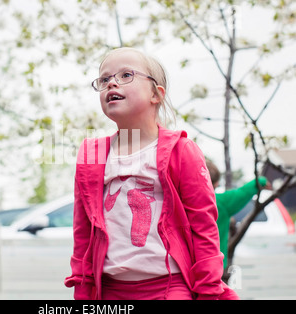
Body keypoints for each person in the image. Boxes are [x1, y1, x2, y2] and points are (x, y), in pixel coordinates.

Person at [64, 47, 238, 300]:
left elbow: (204, 226)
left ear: (156, 94)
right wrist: (82, 288)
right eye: (104, 79)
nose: (112, 81)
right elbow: (82, 231)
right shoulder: (91, 154)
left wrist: (209, 290)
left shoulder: (182, 150)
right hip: (109, 290)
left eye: (126, 75)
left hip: (169, 287)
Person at [205, 159, 269, 271]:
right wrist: (263, 181)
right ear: (216, 183)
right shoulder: (221, 202)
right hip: (213, 268)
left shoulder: (180, 202)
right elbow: (245, 191)